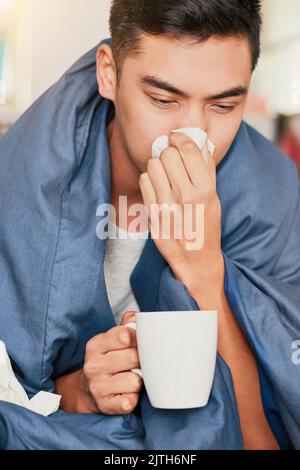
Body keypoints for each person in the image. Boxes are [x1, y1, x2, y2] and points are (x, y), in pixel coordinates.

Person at [0, 0, 299, 450]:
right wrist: (79, 391)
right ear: (109, 74)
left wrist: (203, 270)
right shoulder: (23, 179)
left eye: (223, 105)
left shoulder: (271, 195)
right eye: (163, 99)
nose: (191, 136)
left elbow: (266, 437)